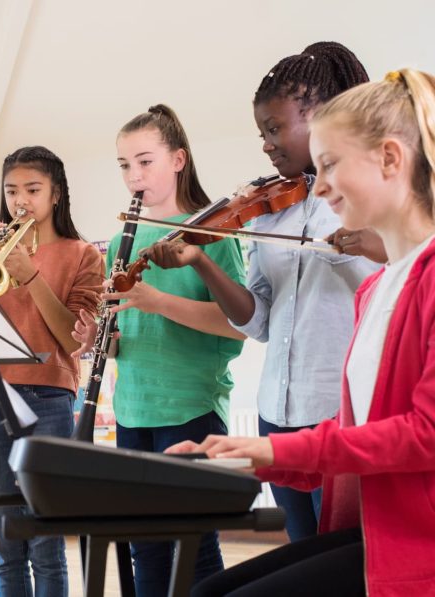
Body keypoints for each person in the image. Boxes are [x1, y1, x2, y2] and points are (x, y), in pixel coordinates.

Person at [168, 67, 435, 597]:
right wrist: (244, 457)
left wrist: (272, 453)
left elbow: (424, 436)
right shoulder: (377, 290)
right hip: (373, 531)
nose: (322, 185)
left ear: (390, 158)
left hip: (415, 541)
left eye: (331, 164)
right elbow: (355, 430)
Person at [144, 42, 381, 542]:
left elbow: (405, 275)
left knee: (343, 558)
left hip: (342, 411)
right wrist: (202, 261)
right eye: (262, 134)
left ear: (323, 117)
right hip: (278, 411)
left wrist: (368, 244)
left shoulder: (370, 195)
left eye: (275, 129)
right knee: (301, 554)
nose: (267, 145)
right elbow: (259, 321)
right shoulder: (271, 210)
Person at [78, 104, 246, 593]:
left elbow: (239, 325)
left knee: (195, 546)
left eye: (145, 161)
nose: (134, 175)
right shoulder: (120, 241)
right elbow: (127, 337)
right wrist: (98, 342)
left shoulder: (213, 231)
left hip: (190, 405)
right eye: (124, 165)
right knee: (144, 547)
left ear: (178, 160)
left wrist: (159, 302)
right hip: (133, 408)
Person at [0, 146, 103, 597]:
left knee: (46, 542)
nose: (20, 200)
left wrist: (30, 276)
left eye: (32, 189)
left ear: (56, 194)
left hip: (49, 396)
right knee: (3, 540)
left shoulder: (83, 254)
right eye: (11, 191)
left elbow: (72, 338)